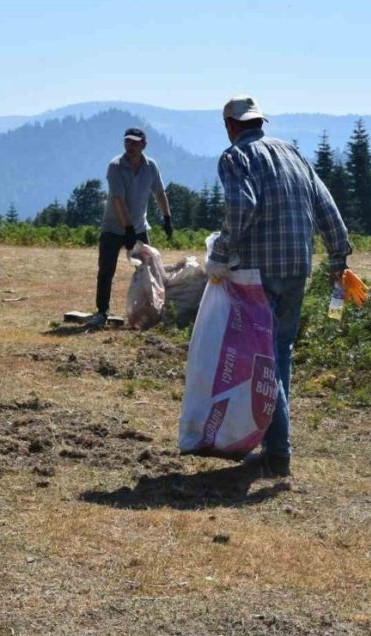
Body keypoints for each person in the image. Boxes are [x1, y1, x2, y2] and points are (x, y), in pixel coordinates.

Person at [206, 94, 353, 477]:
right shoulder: (292, 154)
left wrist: (219, 256)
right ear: (259, 122)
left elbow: (241, 208)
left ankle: (279, 453)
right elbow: (326, 205)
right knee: (279, 354)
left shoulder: (235, 158)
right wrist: (339, 257)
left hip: (259, 274)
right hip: (297, 269)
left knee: (263, 361)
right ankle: (272, 445)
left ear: (231, 126)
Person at [88, 127, 173, 329]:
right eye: (127, 141)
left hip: (139, 227)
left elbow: (159, 193)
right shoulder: (115, 166)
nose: (130, 146)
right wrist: (127, 229)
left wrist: (167, 217)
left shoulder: (151, 167)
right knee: (106, 271)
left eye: (135, 142)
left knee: (148, 271)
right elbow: (118, 199)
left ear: (144, 144)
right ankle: (102, 312)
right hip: (112, 228)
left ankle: (151, 310)